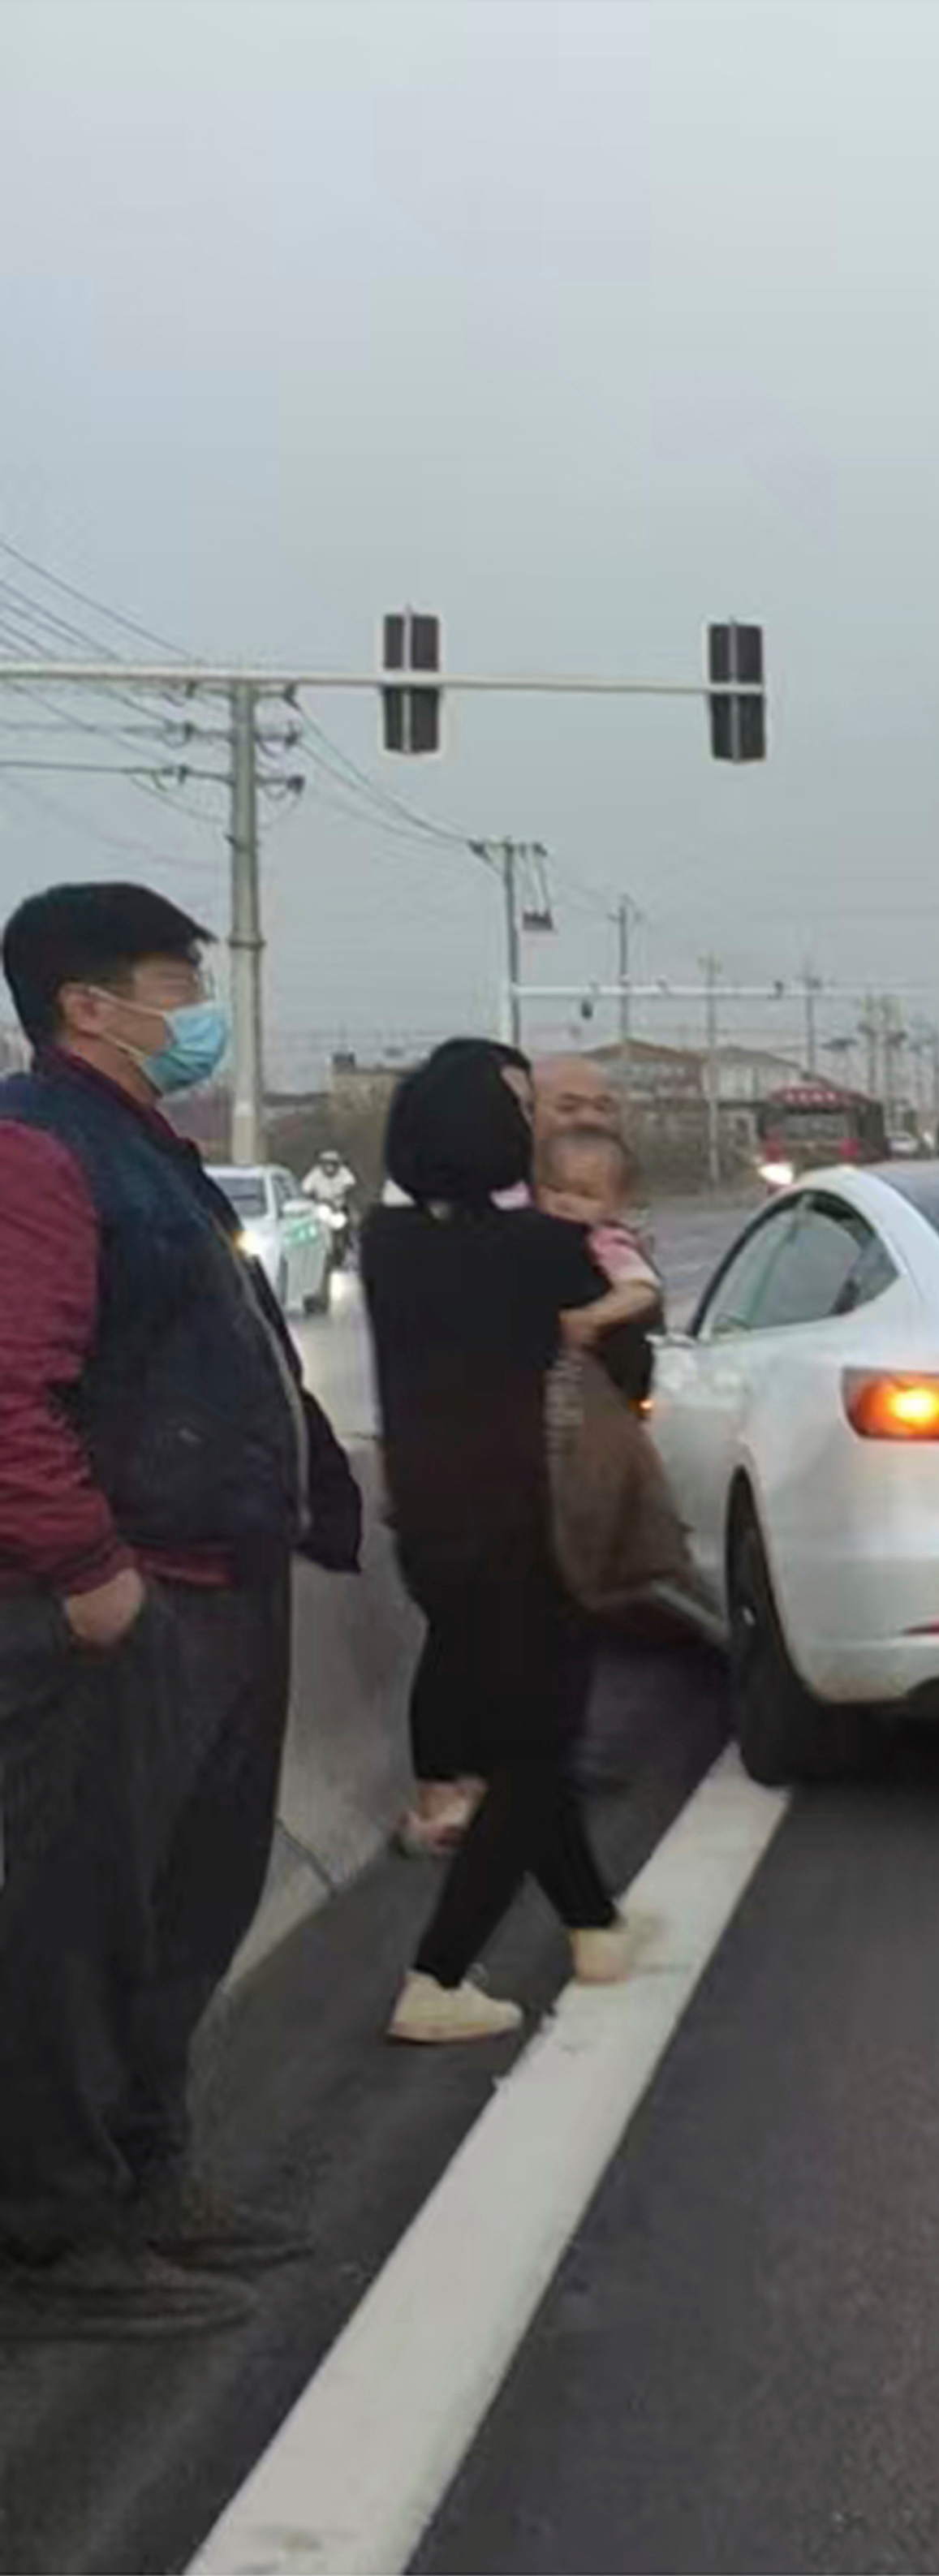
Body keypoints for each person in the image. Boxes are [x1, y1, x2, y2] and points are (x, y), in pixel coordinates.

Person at [0, 882, 362, 2340]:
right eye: (172, 980)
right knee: (74, 1926)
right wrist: (92, 1572)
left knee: (179, 1914)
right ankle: (55, 2228)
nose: (193, 1008)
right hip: (118, 1608)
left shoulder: (153, 1151)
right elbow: (11, 1386)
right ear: (89, 1004)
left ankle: (150, 2175)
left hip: (223, 1587)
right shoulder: (39, 1151)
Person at [361, 1042, 648, 2045]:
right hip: (533, 1533)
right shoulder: (542, 1253)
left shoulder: (385, 1243)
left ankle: (595, 1925)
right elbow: (633, 1358)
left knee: (529, 1744)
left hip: (435, 1537)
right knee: (535, 1761)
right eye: (521, 1110)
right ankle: (437, 1977)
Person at [530, 1126, 661, 1348]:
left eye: (585, 1194)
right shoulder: (525, 1231)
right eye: (554, 1188)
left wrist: (591, 1317)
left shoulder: (605, 1241)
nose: (566, 1202)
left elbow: (642, 1291)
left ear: (616, 1204)